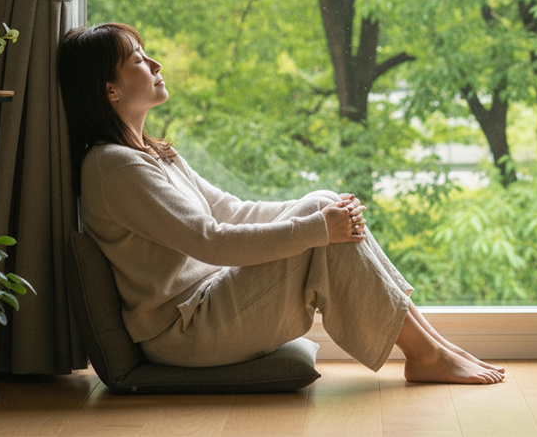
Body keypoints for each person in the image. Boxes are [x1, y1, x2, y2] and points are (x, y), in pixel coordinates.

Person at [57, 22, 504, 384]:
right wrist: (318, 229)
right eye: (137, 59)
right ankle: (426, 354)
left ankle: (433, 348)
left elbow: (229, 210)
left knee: (323, 202)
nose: (155, 63)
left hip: (208, 304)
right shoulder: (114, 167)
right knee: (322, 232)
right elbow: (210, 241)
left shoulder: (153, 154)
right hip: (184, 330)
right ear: (109, 90)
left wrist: (318, 212)